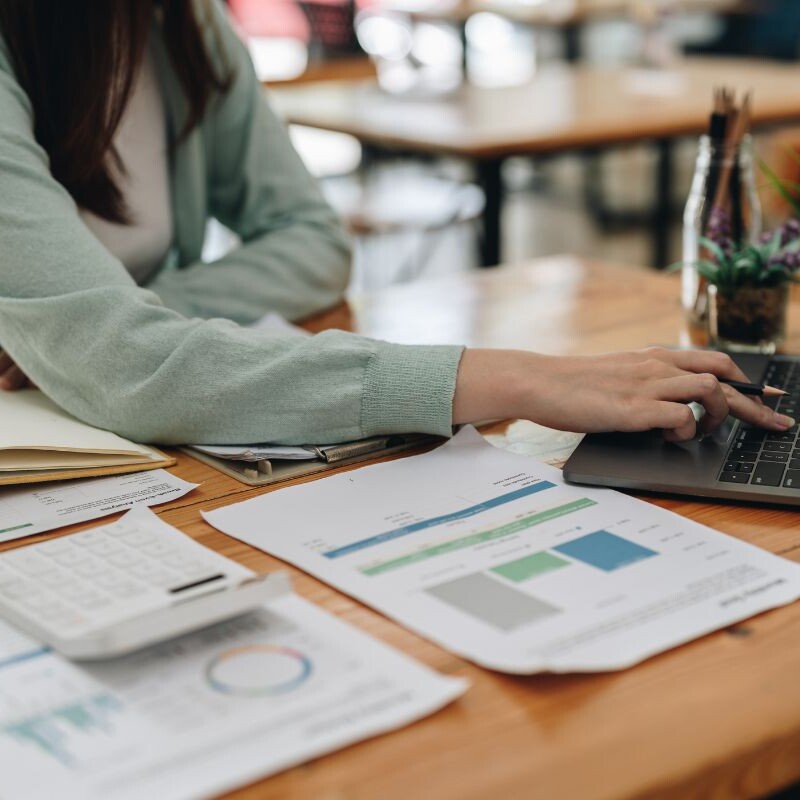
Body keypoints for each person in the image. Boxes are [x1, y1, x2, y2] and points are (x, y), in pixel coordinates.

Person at [0, 1, 792, 447]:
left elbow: (311, 244)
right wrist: (518, 376)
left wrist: (88, 327)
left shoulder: (181, 25)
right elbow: (136, 372)